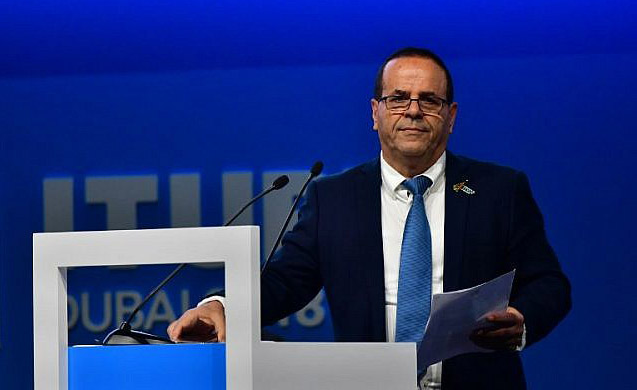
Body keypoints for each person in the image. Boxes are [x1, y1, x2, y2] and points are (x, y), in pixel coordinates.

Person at [168, 47, 571, 389]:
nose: (413, 111)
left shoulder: (499, 190)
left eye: (429, 100)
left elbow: (548, 284)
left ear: (451, 116)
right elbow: (284, 282)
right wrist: (222, 304)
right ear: (375, 112)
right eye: (398, 98)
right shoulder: (334, 198)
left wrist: (521, 320)